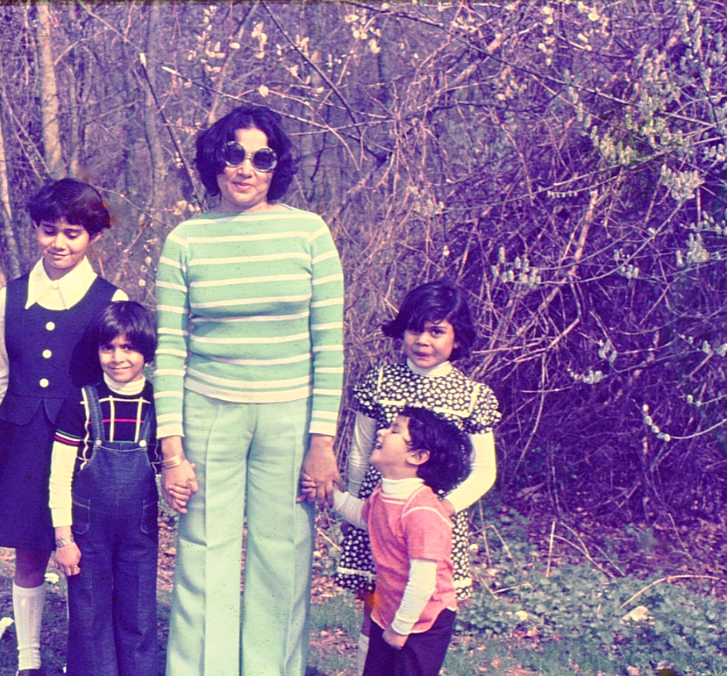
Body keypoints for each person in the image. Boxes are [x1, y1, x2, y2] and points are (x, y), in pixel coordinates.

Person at [154, 104, 345, 676]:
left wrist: (322, 441)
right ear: (215, 160)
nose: (246, 168)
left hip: (290, 417)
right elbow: (170, 349)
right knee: (202, 552)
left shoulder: (309, 234)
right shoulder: (186, 239)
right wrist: (172, 451)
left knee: (282, 556)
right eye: (234, 154)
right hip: (209, 411)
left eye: (262, 158)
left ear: (276, 167)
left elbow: (329, 345)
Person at [0, 178, 126, 676]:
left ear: (93, 237)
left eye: (72, 233)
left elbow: (119, 379)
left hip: (84, 447)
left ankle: (90, 659)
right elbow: (1, 371)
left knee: (86, 553)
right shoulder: (10, 297)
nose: (58, 243)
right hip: (23, 439)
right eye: (48, 230)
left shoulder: (110, 299)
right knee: (29, 550)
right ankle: (29, 658)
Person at [334, 280, 501, 673]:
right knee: (376, 607)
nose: (423, 341)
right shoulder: (379, 382)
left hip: (430, 525)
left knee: (424, 611)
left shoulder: (471, 396)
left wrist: (444, 508)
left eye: (436, 331)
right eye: (414, 329)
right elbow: (359, 452)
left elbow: (483, 470)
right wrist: (356, 508)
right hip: (378, 516)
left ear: (457, 338)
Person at [307, 407, 471, 676]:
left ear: (418, 456)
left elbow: (423, 582)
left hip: (424, 619)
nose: (382, 431)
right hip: (390, 609)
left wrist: (400, 628)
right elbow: (365, 515)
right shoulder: (385, 493)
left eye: (395, 429)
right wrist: (327, 492)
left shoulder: (422, 511)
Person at [48, 301, 160, 676]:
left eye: (128, 347)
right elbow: (59, 475)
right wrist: (64, 539)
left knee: (138, 615)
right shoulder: (82, 400)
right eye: (108, 347)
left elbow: (170, 467)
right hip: (87, 533)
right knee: (89, 615)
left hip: (140, 532)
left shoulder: (159, 404)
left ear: (146, 350)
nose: (117, 358)